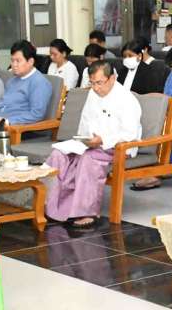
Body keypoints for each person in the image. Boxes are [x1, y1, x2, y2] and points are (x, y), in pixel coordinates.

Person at [44, 61, 143, 229]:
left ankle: (87, 212)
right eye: (92, 83)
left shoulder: (126, 99)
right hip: (92, 144)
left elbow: (130, 133)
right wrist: (83, 140)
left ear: (112, 78)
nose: (96, 88)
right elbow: (85, 122)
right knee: (58, 154)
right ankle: (51, 206)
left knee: (88, 159)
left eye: (99, 83)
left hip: (118, 147)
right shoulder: (92, 94)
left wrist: (102, 140)